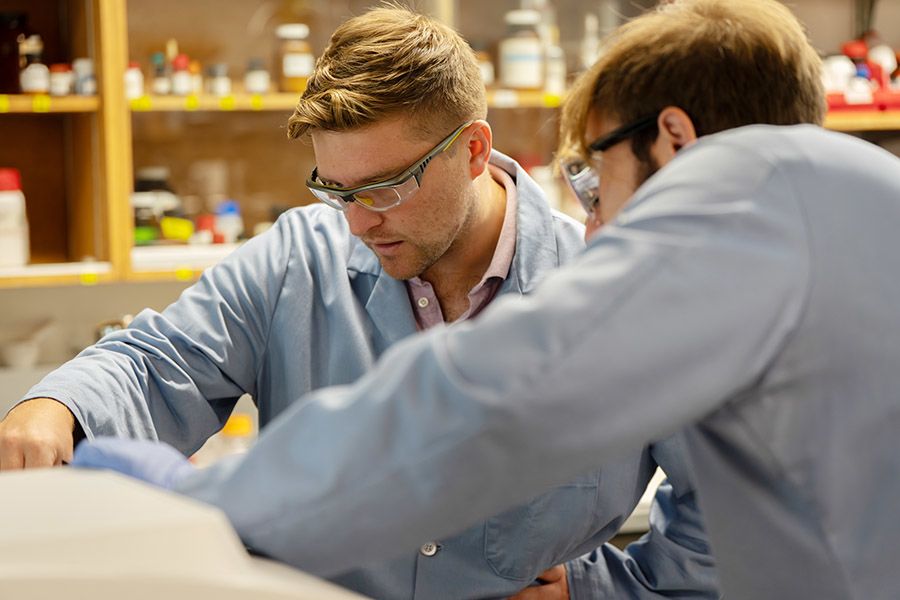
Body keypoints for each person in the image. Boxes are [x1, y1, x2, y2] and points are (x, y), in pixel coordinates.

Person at [70, 0, 900, 596]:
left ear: (673, 138)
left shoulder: (734, 210)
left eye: (599, 175)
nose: (596, 213)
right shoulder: (851, 199)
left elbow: (486, 402)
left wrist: (204, 502)